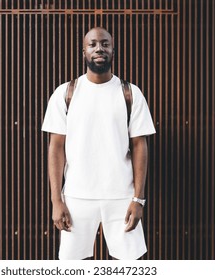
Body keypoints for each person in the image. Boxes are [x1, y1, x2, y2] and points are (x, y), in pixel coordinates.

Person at [41, 27, 156, 260]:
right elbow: (56, 148)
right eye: (92, 44)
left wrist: (138, 199)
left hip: (122, 196)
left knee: (129, 266)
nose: (99, 49)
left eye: (105, 44)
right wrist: (56, 201)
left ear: (113, 50)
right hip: (76, 197)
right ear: (84, 51)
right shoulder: (65, 93)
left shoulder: (130, 93)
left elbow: (139, 146)